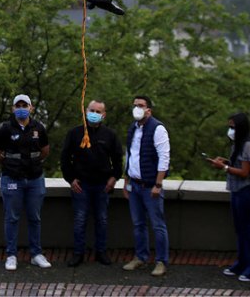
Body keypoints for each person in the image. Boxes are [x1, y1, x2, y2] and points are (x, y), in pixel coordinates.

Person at [0, 94, 52, 270]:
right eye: (18, 105)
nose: (21, 108)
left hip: (34, 179)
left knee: (35, 217)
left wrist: (31, 164)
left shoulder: (38, 128)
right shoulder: (6, 129)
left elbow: (45, 152)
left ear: (31, 108)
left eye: (25, 105)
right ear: (13, 108)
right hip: (12, 179)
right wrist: (11, 164)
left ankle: (36, 254)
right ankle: (11, 255)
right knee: (12, 217)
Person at [60, 100, 123, 267]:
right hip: (81, 185)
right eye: (91, 110)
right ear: (86, 111)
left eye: (98, 111)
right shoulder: (74, 133)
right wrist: (71, 179)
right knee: (80, 220)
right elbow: (65, 158)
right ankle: (78, 254)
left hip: (103, 186)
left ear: (104, 115)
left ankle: (101, 252)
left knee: (102, 219)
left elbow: (118, 159)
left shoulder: (110, 135)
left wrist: (114, 178)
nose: (94, 113)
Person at [207, 112, 250, 283]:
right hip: (237, 190)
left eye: (232, 127)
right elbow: (239, 164)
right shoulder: (237, 144)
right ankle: (242, 263)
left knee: (248, 230)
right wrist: (224, 161)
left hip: (246, 191)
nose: (230, 130)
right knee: (240, 229)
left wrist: (223, 167)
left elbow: (245, 172)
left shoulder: (248, 145)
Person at [121, 95, 170, 277]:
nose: (137, 108)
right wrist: (126, 180)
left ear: (149, 109)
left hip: (150, 186)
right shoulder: (132, 128)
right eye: (135, 105)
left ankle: (161, 261)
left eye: (141, 105)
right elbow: (130, 155)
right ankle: (140, 257)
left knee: (158, 225)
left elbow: (164, 158)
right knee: (138, 224)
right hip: (134, 185)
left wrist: (158, 184)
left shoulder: (157, 129)